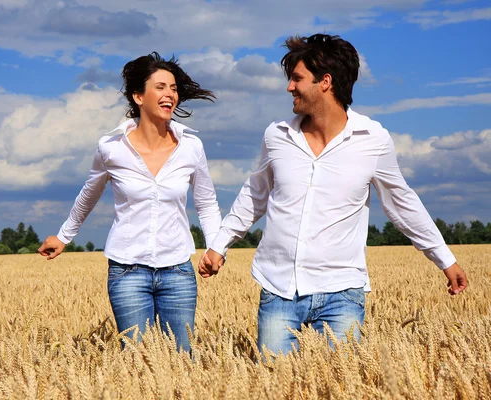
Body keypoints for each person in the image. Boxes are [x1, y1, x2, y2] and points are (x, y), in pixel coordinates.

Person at [199, 34, 467, 354]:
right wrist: (219, 244)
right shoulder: (277, 135)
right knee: (274, 383)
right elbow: (253, 196)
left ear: (325, 82)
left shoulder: (373, 139)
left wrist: (445, 259)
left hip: (342, 296)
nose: (289, 87)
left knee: (338, 385)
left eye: (297, 79)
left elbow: (403, 204)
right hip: (278, 289)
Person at [39, 52, 221, 352]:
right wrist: (63, 236)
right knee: (137, 359)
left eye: (174, 88)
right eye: (161, 87)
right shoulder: (111, 148)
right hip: (127, 272)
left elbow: (206, 202)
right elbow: (89, 193)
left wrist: (215, 246)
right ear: (138, 96)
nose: (170, 94)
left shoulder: (191, 146)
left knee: (181, 359)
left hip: (178, 270)